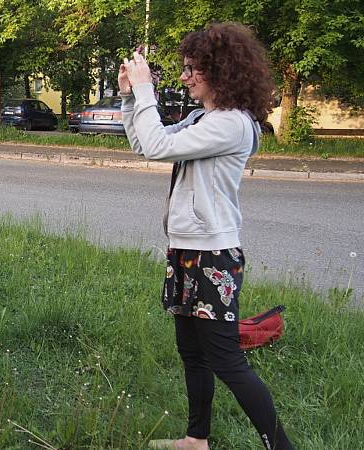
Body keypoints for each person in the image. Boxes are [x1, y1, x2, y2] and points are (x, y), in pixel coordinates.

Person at [119, 23, 293, 450]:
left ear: (221, 70)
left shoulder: (232, 125)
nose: (184, 77)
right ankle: (197, 440)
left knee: (227, 361)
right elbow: (145, 145)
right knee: (191, 352)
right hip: (186, 250)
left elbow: (159, 146)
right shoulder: (205, 119)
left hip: (213, 254)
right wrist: (129, 97)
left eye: (192, 69)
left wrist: (146, 92)